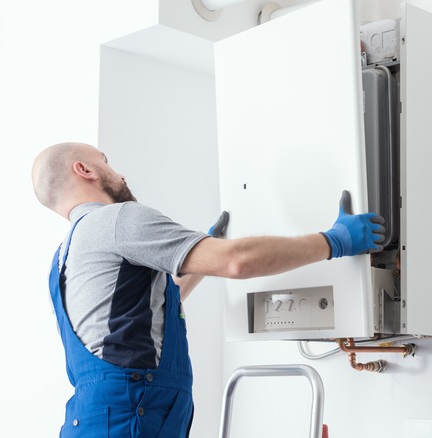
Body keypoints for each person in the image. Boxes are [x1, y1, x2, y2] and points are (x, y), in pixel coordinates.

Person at [31, 142, 385, 438]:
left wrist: (199, 258)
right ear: (85, 170)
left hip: (98, 419)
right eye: (106, 162)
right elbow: (237, 262)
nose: (120, 174)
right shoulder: (118, 219)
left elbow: (145, 313)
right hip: (129, 416)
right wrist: (333, 242)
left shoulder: (63, 256)